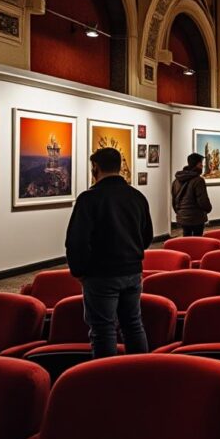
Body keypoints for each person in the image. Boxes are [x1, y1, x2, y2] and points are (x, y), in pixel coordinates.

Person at [65, 147, 152, 359]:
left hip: (101, 275)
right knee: (133, 324)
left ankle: (106, 375)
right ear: (119, 167)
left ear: (95, 167)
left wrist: (79, 271)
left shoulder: (89, 198)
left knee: (103, 329)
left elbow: (77, 241)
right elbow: (147, 236)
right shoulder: (137, 196)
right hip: (132, 272)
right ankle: (142, 370)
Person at [172, 152, 212, 236]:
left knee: (186, 239)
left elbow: (174, 200)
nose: (202, 166)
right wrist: (208, 209)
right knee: (197, 240)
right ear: (197, 164)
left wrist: (180, 213)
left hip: (182, 217)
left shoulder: (176, 181)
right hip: (196, 217)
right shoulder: (198, 181)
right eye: (201, 164)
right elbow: (203, 201)